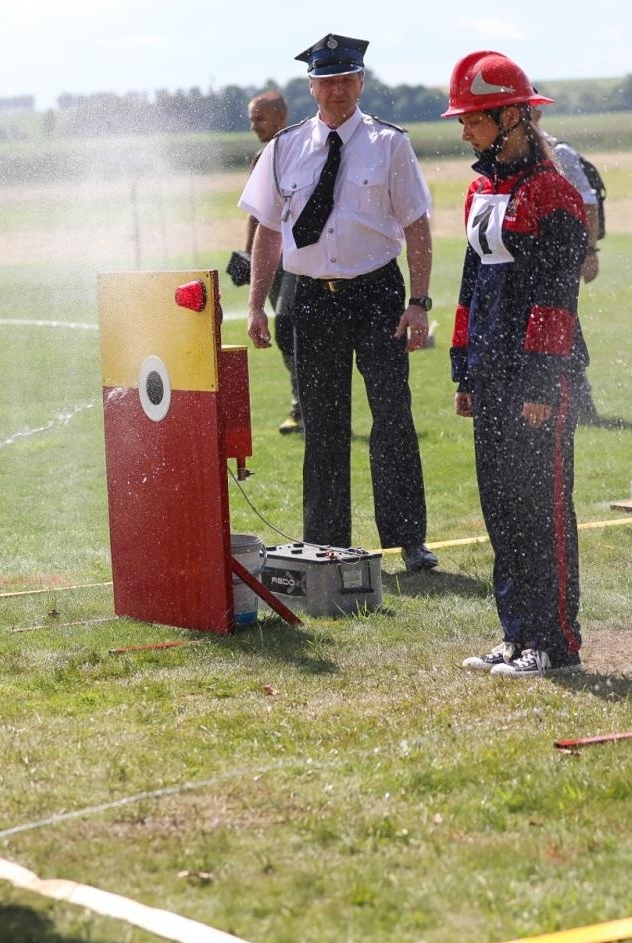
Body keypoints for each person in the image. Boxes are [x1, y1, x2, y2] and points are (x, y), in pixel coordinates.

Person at [238, 34, 439, 572]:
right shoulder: (284, 148)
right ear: (312, 87)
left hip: (377, 294)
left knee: (392, 416)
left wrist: (419, 301)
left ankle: (409, 540)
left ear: (361, 82)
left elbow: (417, 225)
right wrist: (257, 305)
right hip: (310, 299)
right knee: (323, 427)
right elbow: (268, 231)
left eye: (347, 80)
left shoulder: (389, 143)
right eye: (327, 82)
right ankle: (327, 545)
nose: (338, 90)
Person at [443, 52, 589, 679]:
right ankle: (517, 634)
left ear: (511, 117)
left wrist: (539, 382)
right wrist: (464, 368)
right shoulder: (481, 189)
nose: (465, 132)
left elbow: (557, 296)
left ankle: (556, 643)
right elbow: (471, 284)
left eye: (474, 120)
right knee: (501, 506)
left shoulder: (554, 193)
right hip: (491, 371)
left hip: (539, 378)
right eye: (463, 121)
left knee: (541, 509)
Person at [239, 90, 303, 435]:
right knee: (285, 331)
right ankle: (303, 404)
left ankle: (304, 406)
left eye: (260, 119)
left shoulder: (301, 150)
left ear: (281, 117)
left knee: (287, 324)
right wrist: (247, 254)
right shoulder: (260, 157)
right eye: (251, 120)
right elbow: (257, 214)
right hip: (271, 261)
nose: (254, 126)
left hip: (297, 257)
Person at [542, 131, 602, 423]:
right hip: (539, 261)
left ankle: (580, 404)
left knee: (565, 330)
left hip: (563, 261)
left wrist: (589, 252)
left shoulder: (560, 152)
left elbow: (588, 203)